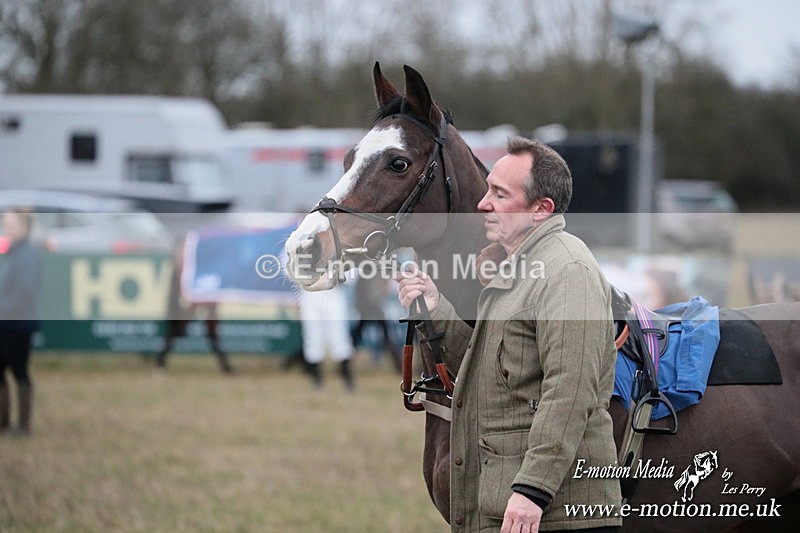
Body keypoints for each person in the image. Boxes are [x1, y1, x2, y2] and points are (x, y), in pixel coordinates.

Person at [398, 137, 621, 532]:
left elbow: (570, 390)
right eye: (488, 191)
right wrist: (437, 309)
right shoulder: (515, 271)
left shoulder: (567, 270)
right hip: (514, 510)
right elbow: (486, 367)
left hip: (552, 516)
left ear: (540, 210)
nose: (483, 204)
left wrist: (533, 490)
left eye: (499, 194)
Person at [155, 241, 233, 374]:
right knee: (180, 329)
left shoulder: (205, 260)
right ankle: (160, 362)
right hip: (196, 298)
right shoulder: (193, 260)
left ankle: (225, 366)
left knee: (211, 332)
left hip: (204, 297)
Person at [0, 208, 43, 436]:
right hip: (7, 323)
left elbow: (25, 293)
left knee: (19, 372)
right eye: (5, 223)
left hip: (17, 325)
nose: (7, 228)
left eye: (11, 224)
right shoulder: (14, 252)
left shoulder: (26, 254)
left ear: (24, 226)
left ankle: (23, 426)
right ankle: (4, 422)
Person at [298, 286, 355, 391]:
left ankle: (347, 377)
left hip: (332, 291)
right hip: (309, 292)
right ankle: (317, 379)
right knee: (312, 336)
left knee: (339, 335)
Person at [351, 274, 400, 371]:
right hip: (366, 309)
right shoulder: (364, 277)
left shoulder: (368, 275)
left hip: (370, 308)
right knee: (357, 337)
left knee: (386, 335)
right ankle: (345, 362)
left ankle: (346, 362)